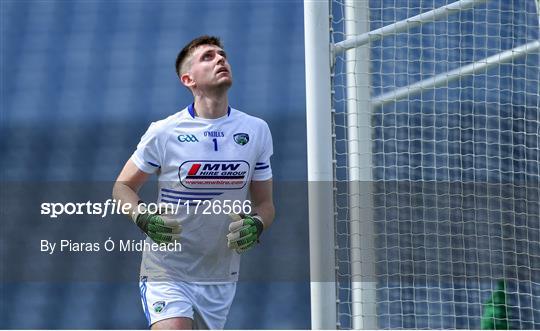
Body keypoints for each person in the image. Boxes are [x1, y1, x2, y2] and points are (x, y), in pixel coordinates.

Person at [112, 35, 275, 330]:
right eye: (208, 57)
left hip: (219, 275)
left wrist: (258, 224)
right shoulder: (164, 132)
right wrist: (143, 217)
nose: (221, 59)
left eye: (222, 54)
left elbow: (265, 204)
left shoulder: (256, 130)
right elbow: (122, 187)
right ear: (188, 79)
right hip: (167, 270)